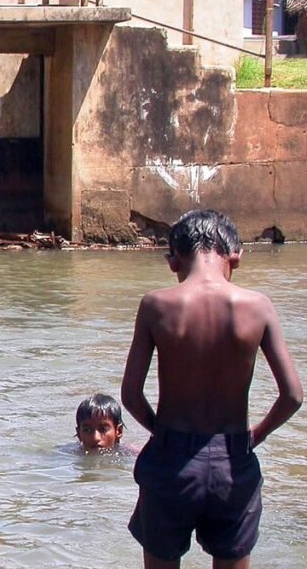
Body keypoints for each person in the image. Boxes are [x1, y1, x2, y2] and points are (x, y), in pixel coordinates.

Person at [121, 209, 303, 569]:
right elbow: (293, 396)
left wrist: (163, 435)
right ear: (235, 255)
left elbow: (130, 395)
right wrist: (256, 436)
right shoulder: (259, 306)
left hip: (171, 461)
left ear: (173, 261)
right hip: (233, 462)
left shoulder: (156, 305)